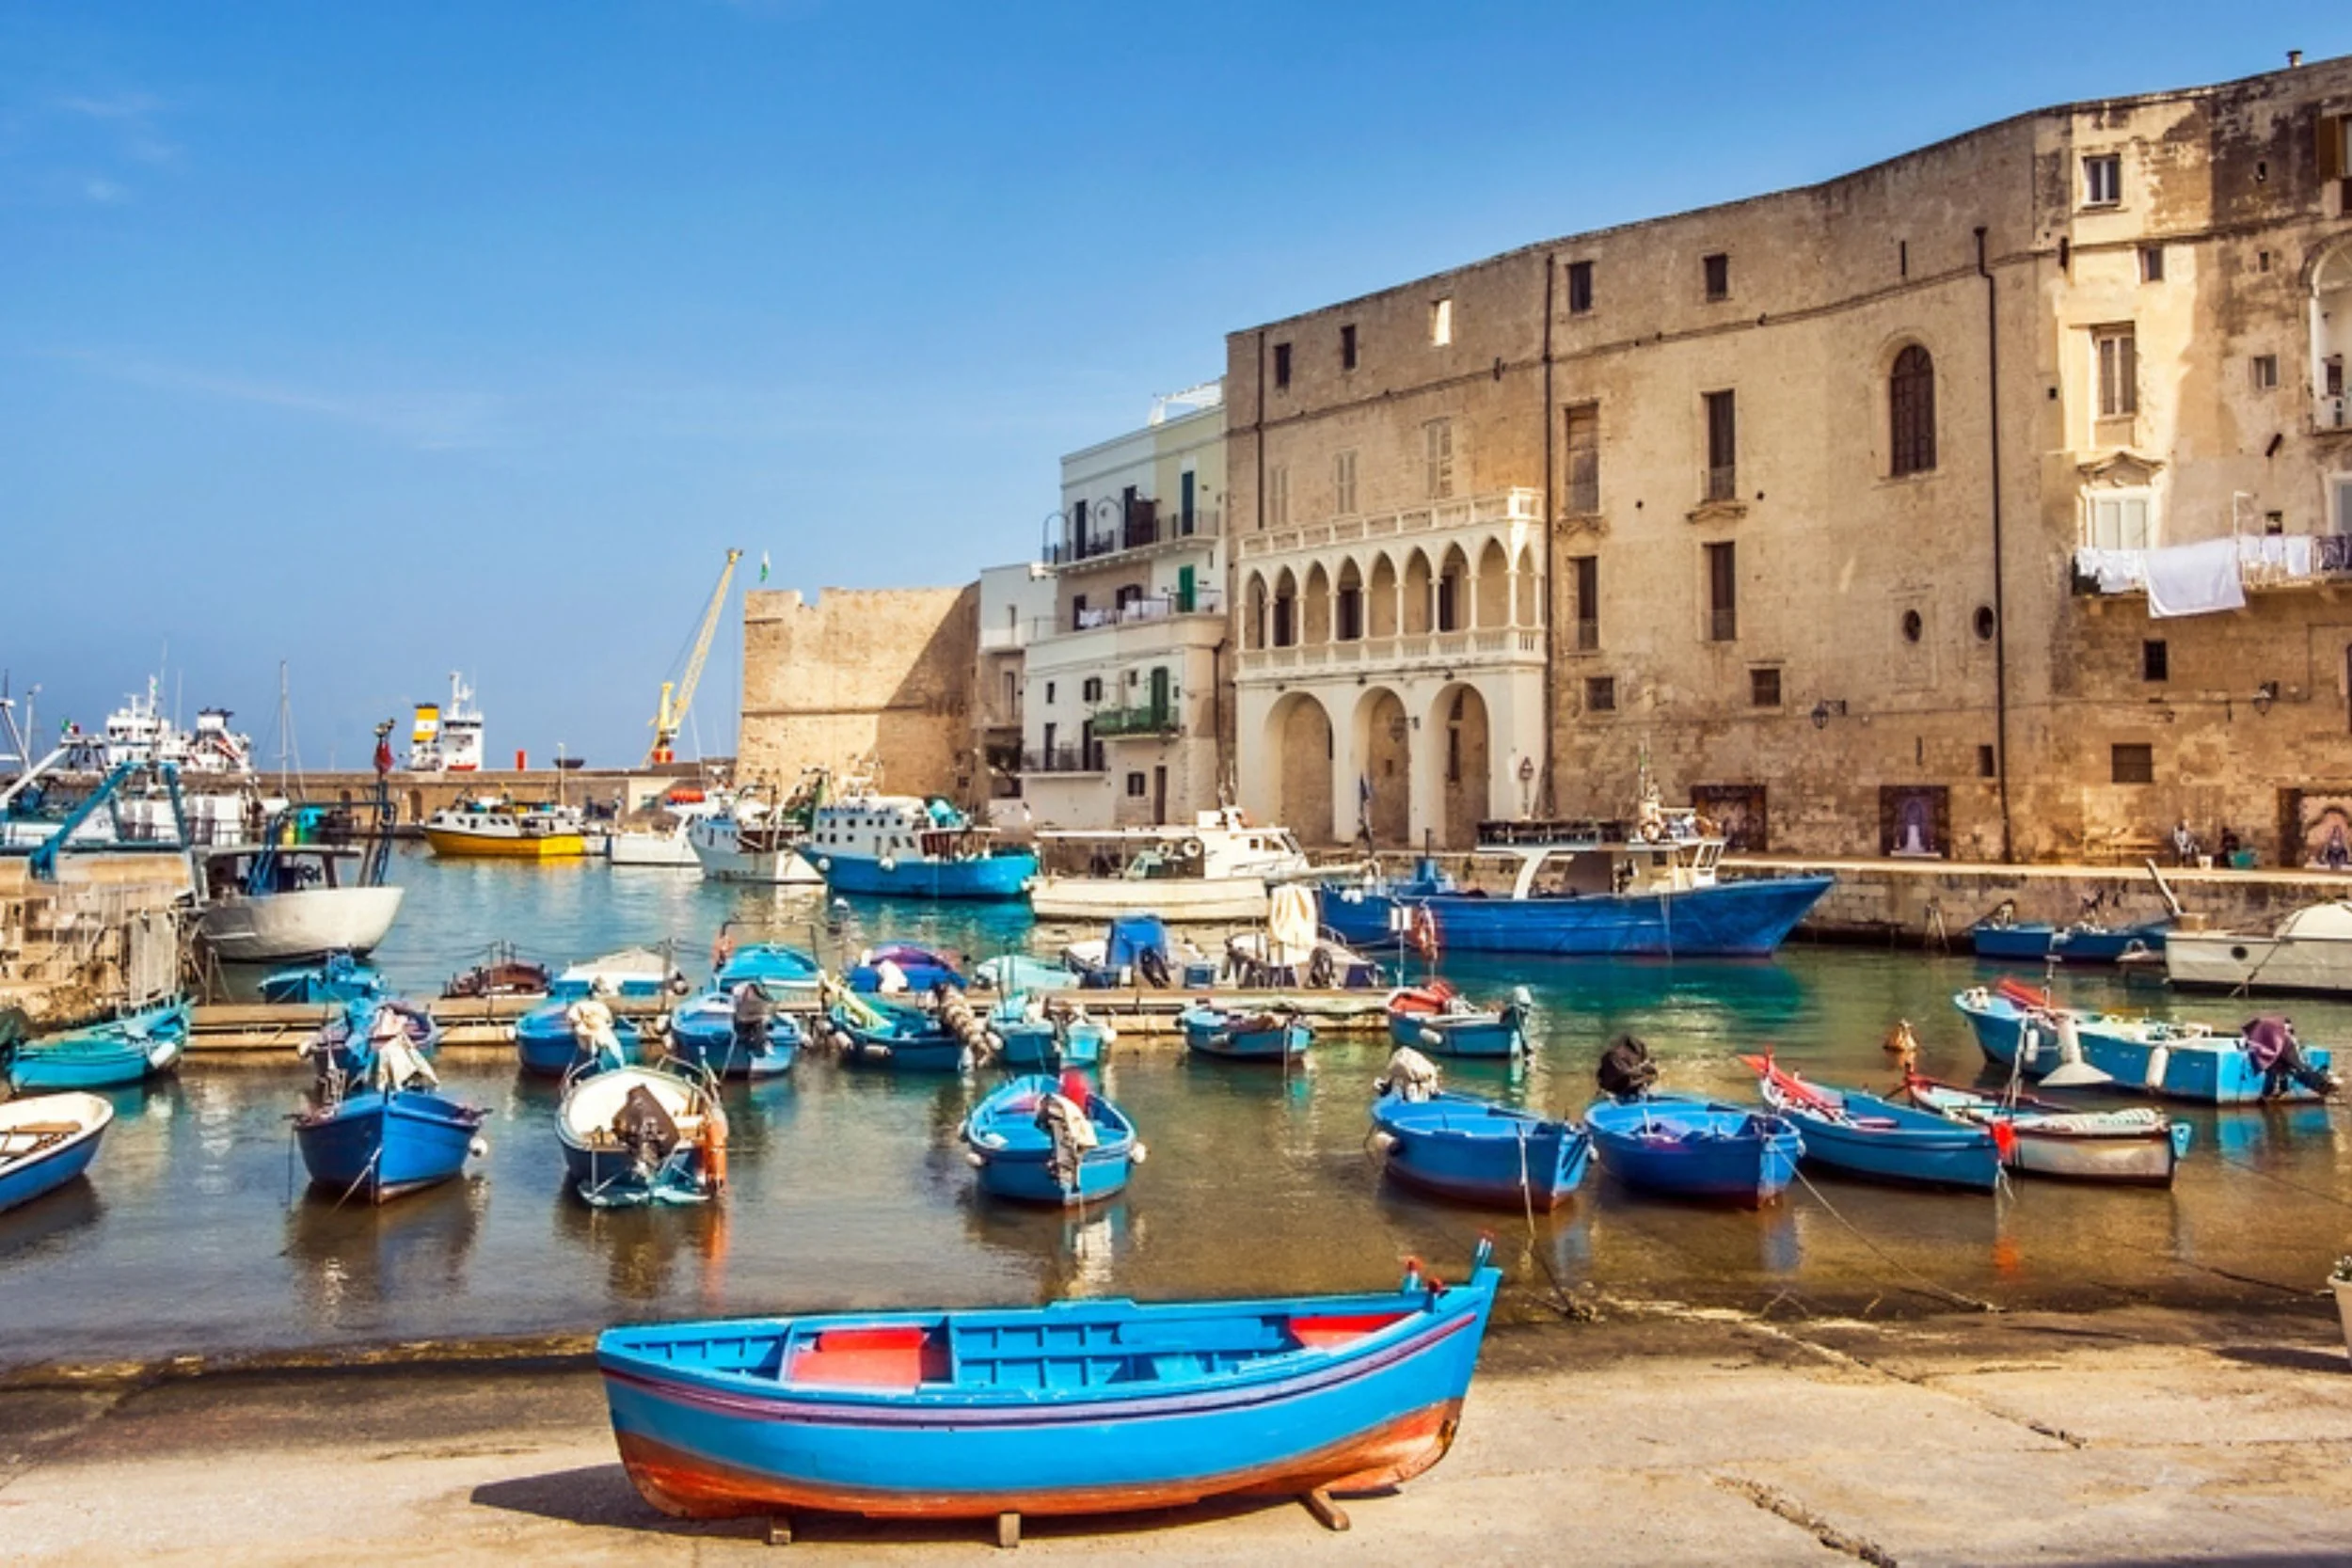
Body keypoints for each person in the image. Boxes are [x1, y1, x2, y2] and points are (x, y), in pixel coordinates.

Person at [730, 981, 770, 1060]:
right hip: (741, 1026)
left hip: (753, 1026)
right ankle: (754, 1046)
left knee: (760, 1025)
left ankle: (761, 1045)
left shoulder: (760, 1002)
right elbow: (741, 1019)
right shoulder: (741, 1001)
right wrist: (760, 1017)